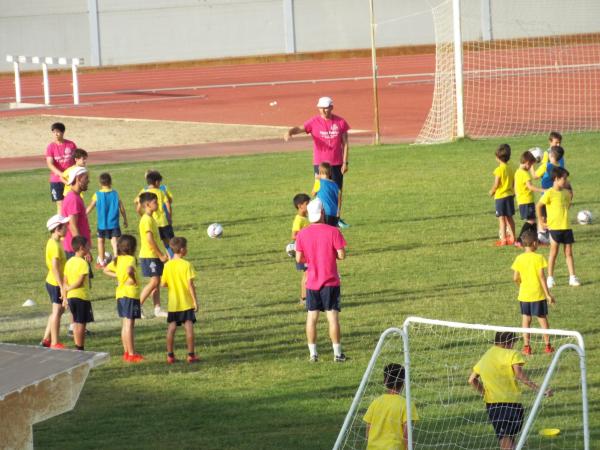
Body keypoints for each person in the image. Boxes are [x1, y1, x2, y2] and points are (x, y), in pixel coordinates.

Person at [468, 332, 552, 450]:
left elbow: (472, 380)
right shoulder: (512, 354)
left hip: (493, 406)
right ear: (509, 343)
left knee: (506, 439)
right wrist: (540, 389)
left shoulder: (486, 355)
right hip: (513, 405)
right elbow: (519, 375)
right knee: (509, 440)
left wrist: (484, 393)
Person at [284, 96, 350, 228]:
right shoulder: (314, 122)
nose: (324, 110)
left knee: (337, 191)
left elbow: (346, 144)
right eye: (321, 108)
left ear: (331, 107)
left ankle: (337, 218)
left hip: (336, 163)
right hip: (320, 163)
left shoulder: (340, 122)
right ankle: (322, 216)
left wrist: (345, 162)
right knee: (321, 191)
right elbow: (300, 128)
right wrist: (290, 131)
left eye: (326, 108)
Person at [295, 198, 347, 362]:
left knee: (312, 318)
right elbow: (341, 255)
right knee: (332, 318)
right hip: (330, 281)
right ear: (323, 212)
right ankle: (337, 354)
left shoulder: (302, 234)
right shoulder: (333, 231)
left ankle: (313, 354)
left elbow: (298, 258)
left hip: (312, 282)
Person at [511, 230, 555, 355]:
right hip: (537, 295)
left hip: (524, 295)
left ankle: (526, 347)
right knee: (542, 319)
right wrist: (547, 294)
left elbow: (515, 278)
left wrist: (521, 284)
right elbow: (541, 277)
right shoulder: (539, 258)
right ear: (535, 243)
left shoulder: (519, 258)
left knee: (526, 320)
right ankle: (547, 346)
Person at [536, 167, 580, 288]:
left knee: (569, 253)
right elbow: (538, 206)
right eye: (564, 179)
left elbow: (567, 205)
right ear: (556, 179)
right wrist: (541, 221)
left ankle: (572, 277)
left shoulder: (566, 193)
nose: (566, 181)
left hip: (566, 227)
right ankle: (550, 278)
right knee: (553, 253)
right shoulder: (549, 193)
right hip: (554, 228)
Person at [103, 235, 143, 363]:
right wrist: (132, 277)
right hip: (130, 294)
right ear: (133, 248)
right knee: (130, 325)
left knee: (125, 324)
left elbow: (105, 270)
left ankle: (126, 352)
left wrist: (118, 275)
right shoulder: (131, 259)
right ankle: (132, 354)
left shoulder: (117, 259)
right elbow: (130, 270)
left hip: (120, 294)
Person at [161, 237, 199, 364]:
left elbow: (163, 284)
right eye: (186, 247)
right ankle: (191, 355)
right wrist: (195, 301)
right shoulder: (187, 265)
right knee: (188, 326)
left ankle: (170, 356)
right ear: (182, 250)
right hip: (186, 302)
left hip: (173, 303)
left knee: (172, 327)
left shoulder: (167, 266)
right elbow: (190, 285)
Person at [363, 363, 419, 450]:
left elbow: (368, 431)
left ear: (385, 381)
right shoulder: (407, 405)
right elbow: (406, 435)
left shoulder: (375, 402)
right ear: (404, 382)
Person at [86, 172, 128, 268]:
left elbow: (90, 207)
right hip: (114, 224)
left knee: (101, 241)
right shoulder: (115, 194)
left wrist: (83, 215)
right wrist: (125, 219)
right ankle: (117, 258)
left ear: (100, 184)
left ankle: (101, 261)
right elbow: (122, 208)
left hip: (102, 225)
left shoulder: (97, 195)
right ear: (111, 182)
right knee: (115, 242)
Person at [40, 214, 70, 349]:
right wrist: (62, 286)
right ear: (57, 229)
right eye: (65, 225)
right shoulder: (55, 246)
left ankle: (46, 339)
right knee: (57, 311)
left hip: (54, 281)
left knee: (58, 310)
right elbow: (55, 268)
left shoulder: (55, 242)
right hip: (55, 282)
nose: (67, 227)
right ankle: (54, 342)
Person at [138, 191, 169, 318]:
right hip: (149, 255)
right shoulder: (146, 220)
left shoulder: (151, 218)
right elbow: (150, 240)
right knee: (155, 281)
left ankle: (157, 309)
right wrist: (160, 255)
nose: (157, 204)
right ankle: (137, 306)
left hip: (153, 255)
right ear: (147, 204)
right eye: (155, 202)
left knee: (156, 281)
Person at [64, 236, 94, 350]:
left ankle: (78, 346)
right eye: (87, 246)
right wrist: (69, 288)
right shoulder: (83, 264)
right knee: (81, 323)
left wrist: (66, 292)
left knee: (75, 323)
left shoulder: (69, 262)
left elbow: (65, 280)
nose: (89, 247)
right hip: (81, 297)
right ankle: (80, 348)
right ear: (82, 248)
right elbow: (81, 282)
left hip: (71, 298)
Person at [135, 170, 174, 257]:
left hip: (152, 222)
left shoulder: (143, 192)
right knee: (168, 243)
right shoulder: (160, 192)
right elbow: (168, 204)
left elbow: (138, 208)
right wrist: (169, 217)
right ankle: (172, 259)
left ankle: (159, 256)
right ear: (157, 182)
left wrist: (144, 216)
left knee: (153, 241)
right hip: (163, 222)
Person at [45, 122, 77, 213]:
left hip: (70, 179)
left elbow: (76, 160)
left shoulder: (71, 145)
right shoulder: (51, 147)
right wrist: (61, 174)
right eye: (54, 132)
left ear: (63, 132)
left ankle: (71, 223)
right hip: (56, 180)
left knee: (71, 202)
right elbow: (50, 164)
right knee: (60, 204)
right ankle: (61, 225)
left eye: (58, 132)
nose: (55, 134)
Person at [514, 151, 544, 246]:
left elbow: (515, 186)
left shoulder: (518, 172)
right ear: (527, 162)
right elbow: (530, 187)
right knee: (530, 221)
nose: (531, 167)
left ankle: (535, 240)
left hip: (523, 201)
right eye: (531, 164)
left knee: (533, 221)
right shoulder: (525, 174)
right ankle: (519, 240)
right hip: (526, 201)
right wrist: (543, 190)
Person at [61, 167, 91, 258]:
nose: (88, 181)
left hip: (79, 250)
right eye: (86, 178)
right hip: (76, 251)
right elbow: (72, 226)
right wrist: (82, 249)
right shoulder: (73, 199)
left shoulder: (76, 196)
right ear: (78, 179)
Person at [489, 144, 516, 246]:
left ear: (497, 158)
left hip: (500, 197)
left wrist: (492, 191)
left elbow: (496, 184)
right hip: (509, 195)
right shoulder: (510, 169)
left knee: (501, 218)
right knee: (509, 217)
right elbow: (513, 182)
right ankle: (513, 237)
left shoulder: (499, 170)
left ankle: (504, 239)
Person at [291, 193, 310, 305]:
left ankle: (307, 296)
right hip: (303, 251)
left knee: (308, 273)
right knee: (306, 274)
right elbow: (293, 235)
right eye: (307, 204)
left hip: (307, 249)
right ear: (300, 206)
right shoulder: (299, 219)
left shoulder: (304, 218)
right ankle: (304, 298)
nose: (309, 205)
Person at [314, 162, 341, 227]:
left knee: (325, 231)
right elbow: (338, 199)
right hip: (334, 212)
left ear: (319, 173)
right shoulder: (335, 184)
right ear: (330, 173)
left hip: (325, 213)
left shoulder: (319, 182)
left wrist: (316, 180)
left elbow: (313, 193)